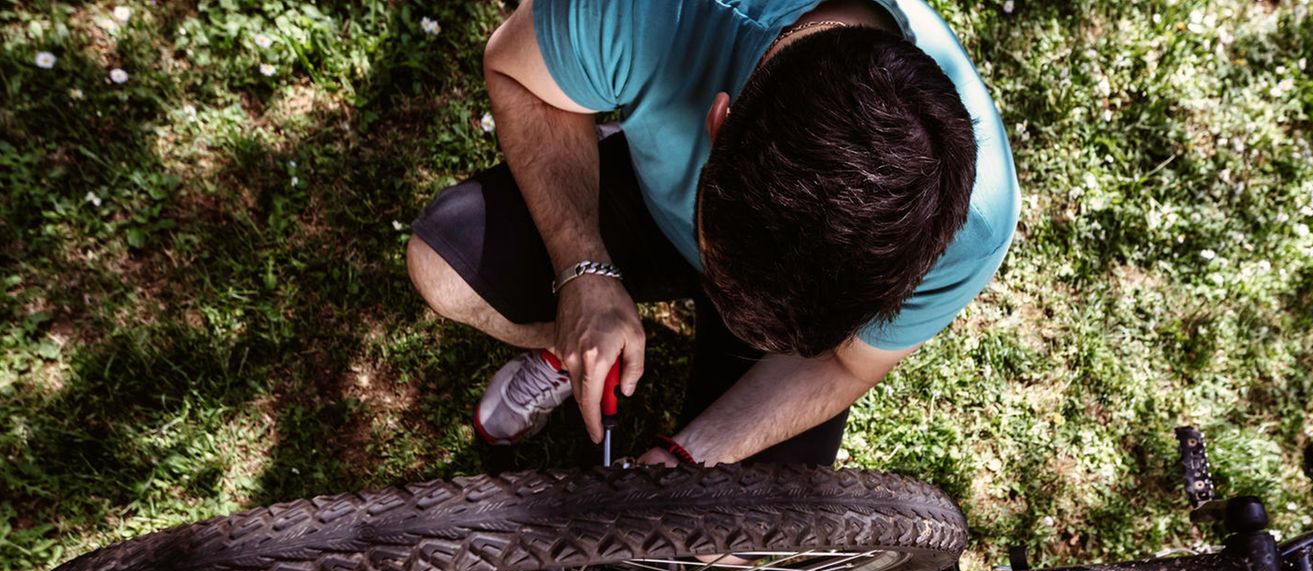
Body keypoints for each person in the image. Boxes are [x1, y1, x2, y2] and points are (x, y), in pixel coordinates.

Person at [407, 0, 1019, 467]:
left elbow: (844, 366)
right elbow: (516, 74)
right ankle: (572, 342)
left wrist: (692, 457)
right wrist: (583, 269)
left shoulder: (966, 223)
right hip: (653, 198)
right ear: (718, 122)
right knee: (445, 270)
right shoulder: (644, 13)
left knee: (736, 543)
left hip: (791, 307)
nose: (719, 301)